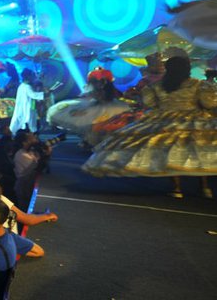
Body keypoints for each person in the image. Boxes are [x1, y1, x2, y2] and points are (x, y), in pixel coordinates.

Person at [84, 55, 217, 198]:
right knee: (200, 150)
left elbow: (150, 103)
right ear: (187, 69)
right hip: (194, 119)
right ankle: (205, 187)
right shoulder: (198, 84)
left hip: (164, 120)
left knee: (170, 152)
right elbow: (209, 103)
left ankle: (177, 188)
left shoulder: (157, 86)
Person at [47, 68, 129, 147]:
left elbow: (110, 96)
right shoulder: (100, 90)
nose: (99, 84)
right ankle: (93, 141)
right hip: (99, 109)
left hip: (108, 110)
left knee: (101, 126)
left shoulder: (108, 91)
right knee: (93, 126)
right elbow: (90, 96)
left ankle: (98, 142)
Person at [10, 69, 47, 135]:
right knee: (29, 121)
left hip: (29, 106)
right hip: (26, 107)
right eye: (32, 75)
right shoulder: (26, 87)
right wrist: (46, 94)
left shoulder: (23, 86)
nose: (33, 77)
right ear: (28, 76)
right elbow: (33, 95)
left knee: (28, 121)